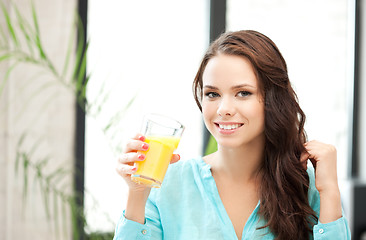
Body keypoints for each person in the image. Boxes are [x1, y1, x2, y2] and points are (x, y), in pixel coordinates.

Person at [113, 30, 351, 240]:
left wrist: (329, 190)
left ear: (273, 99)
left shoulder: (305, 184)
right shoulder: (167, 183)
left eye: (243, 93)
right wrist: (137, 194)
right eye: (213, 94)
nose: (223, 109)